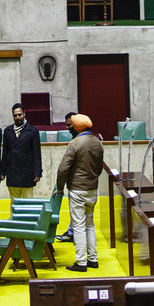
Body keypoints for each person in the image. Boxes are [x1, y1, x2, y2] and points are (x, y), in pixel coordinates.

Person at [54, 113, 105, 271]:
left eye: (72, 126)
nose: (69, 128)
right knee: (90, 225)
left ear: (77, 127)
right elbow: (99, 169)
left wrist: (60, 188)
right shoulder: (98, 142)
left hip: (77, 190)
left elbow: (63, 169)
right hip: (92, 189)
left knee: (78, 226)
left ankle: (81, 261)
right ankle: (93, 259)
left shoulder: (75, 143)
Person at [2, 104, 43, 198]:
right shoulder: (8, 131)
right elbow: (5, 153)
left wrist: (37, 172)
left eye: (19, 115)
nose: (17, 117)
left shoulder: (33, 131)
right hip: (12, 173)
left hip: (27, 174)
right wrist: (2, 171)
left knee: (27, 203)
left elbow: (37, 154)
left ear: (24, 114)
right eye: (15, 115)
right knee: (14, 203)